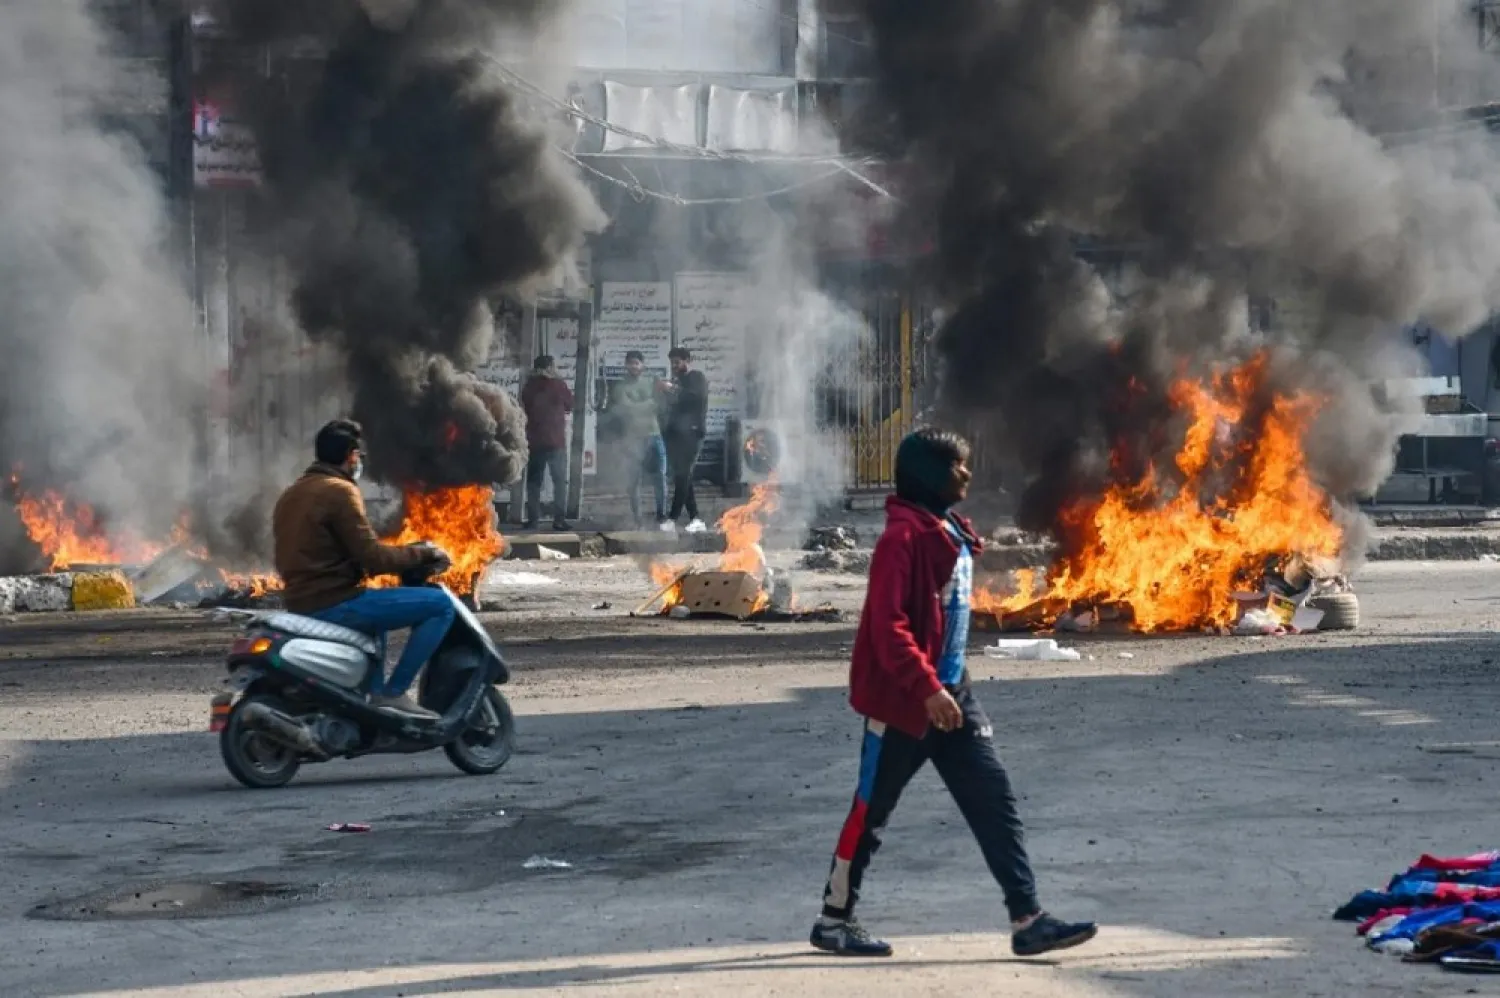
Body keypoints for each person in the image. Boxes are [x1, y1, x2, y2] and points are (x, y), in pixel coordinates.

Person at [808, 427, 1098, 958]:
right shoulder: (902, 539)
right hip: (904, 701)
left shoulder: (944, 529)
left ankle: (1027, 918)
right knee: (871, 813)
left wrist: (945, 688)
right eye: (957, 465)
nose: (967, 472)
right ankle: (833, 920)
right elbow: (887, 627)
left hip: (953, 696)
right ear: (929, 475)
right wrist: (925, 689)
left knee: (994, 801)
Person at [272, 419, 453, 719]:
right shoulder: (339, 491)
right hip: (333, 601)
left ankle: (367, 696)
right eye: (358, 456)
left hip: (299, 600)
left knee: (376, 614)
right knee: (440, 606)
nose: (359, 462)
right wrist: (422, 554)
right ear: (351, 456)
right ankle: (393, 693)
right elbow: (373, 557)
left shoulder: (292, 493)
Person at [608, 350, 671, 530]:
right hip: (632, 439)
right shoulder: (620, 387)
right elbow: (627, 409)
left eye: (637, 363)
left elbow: (660, 404)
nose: (634, 366)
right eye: (631, 363)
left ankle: (661, 516)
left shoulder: (652, 382)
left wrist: (644, 405)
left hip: (654, 435)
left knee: (660, 476)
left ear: (642, 365)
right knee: (634, 480)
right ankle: (638, 519)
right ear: (626, 365)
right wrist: (649, 404)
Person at [658, 346, 709, 534]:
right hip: (677, 435)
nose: (674, 365)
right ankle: (696, 518)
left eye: (677, 362)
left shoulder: (697, 378)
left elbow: (695, 397)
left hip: (693, 433)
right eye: (672, 362)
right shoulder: (677, 381)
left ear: (687, 361)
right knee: (683, 476)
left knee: (684, 474)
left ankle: (672, 518)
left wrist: (672, 389)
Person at [520, 354, 573, 531]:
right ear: (551, 367)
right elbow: (570, 405)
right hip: (556, 442)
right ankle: (559, 520)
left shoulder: (529, 386)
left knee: (534, 483)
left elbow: (526, 405)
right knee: (559, 482)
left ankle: (533, 520)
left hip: (535, 441)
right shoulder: (558, 385)